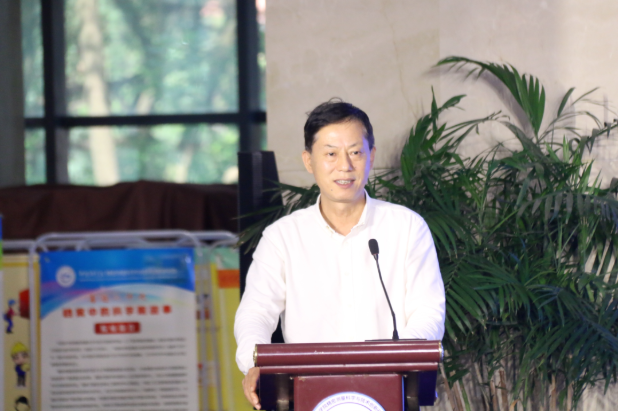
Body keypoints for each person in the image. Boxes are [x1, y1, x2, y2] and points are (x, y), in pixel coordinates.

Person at [234, 99, 446, 409]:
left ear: (371, 156)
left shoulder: (408, 227)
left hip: (389, 390)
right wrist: (254, 362)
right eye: (331, 154)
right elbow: (256, 312)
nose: (345, 166)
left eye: (355, 152)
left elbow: (428, 311)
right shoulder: (282, 237)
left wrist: (401, 359)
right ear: (309, 161)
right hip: (308, 392)